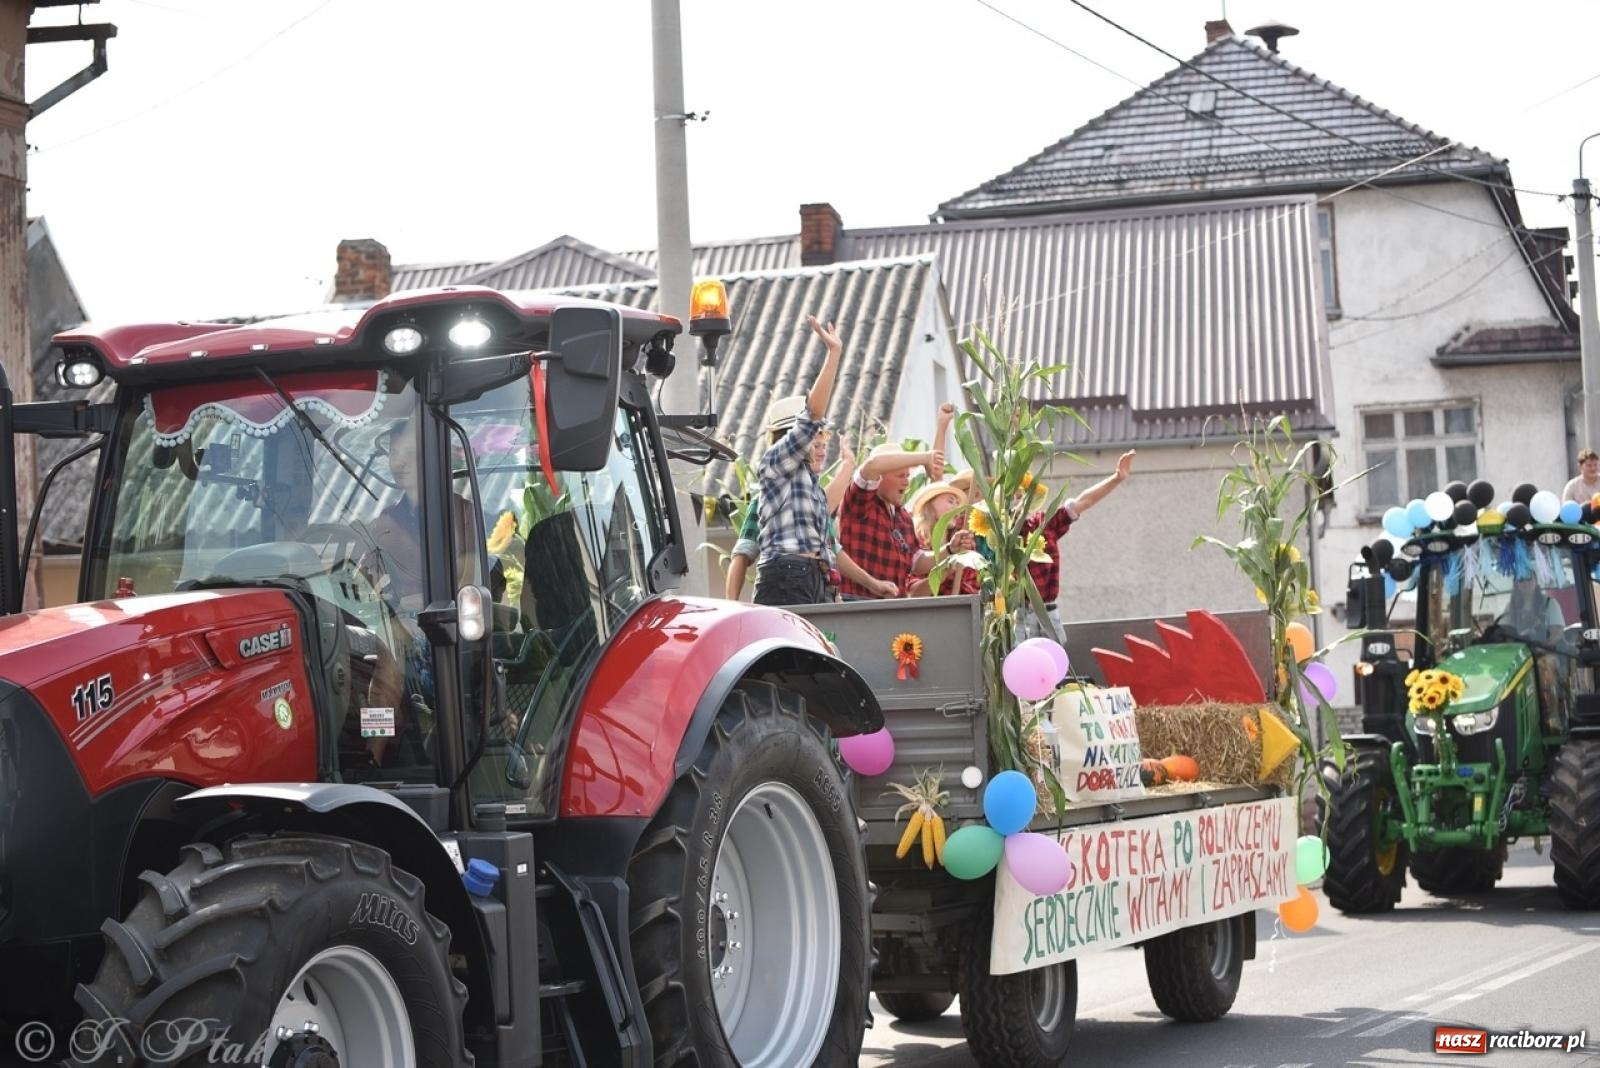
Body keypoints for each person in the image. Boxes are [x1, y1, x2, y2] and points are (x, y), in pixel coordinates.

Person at [751, 315, 843, 606]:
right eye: (815, 439)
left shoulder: (808, 481)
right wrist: (834, 355)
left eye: (822, 439)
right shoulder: (776, 461)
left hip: (808, 576)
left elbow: (823, 543)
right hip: (787, 574)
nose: (820, 445)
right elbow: (812, 416)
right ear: (788, 435)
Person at [1021, 450, 1136, 638]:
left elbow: (1083, 501)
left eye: (1023, 495)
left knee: (1055, 664)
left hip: (1048, 613)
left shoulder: (1043, 523)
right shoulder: (996, 531)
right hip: (1018, 615)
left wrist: (1117, 478)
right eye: (1014, 495)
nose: (1018, 502)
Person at [837, 442, 949, 597]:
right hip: (858, 605)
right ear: (880, 477)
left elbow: (917, 562)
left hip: (893, 609)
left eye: (907, 475)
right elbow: (872, 465)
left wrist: (950, 550)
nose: (907, 482)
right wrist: (925, 457)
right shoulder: (860, 503)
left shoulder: (903, 517)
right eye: (900, 475)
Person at [907, 479, 978, 596]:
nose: (956, 508)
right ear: (930, 504)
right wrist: (945, 571)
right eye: (950, 501)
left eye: (957, 504)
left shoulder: (961, 543)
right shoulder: (917, 542)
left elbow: (974, 586)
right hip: (929, 612)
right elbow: (913, 593)